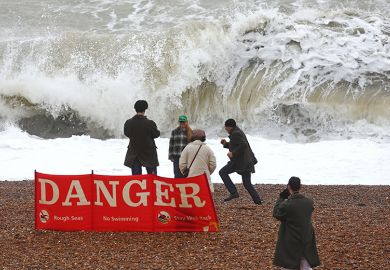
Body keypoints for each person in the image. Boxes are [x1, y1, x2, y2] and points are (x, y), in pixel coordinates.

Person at [273, 177, 320, 270]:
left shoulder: (288, 204)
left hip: (292, 237)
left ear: (288, 186)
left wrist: (281, 198)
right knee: (305, 263)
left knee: (290, 264)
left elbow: (276, 213)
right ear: (300, 186)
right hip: (307, 235)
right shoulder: (309, 202)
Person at [219, 118, 262, 204]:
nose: (225, 129)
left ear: (229, 127)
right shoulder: (236, 132)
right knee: (247, 184)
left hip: (241, 163)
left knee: (222, 172)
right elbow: (236, 145)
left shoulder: (235, 133)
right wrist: (226, 144)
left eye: (226, 127)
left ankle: (234, 192)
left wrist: (233, 153)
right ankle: (258, 202)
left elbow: (243, 145)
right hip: (245, 162)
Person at [124, 100, 160, 175]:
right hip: (149, 154)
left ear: (135, 109)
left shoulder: (128, 123)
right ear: (145, 110)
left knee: (137, 181)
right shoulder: (150, 123)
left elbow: (127, 133)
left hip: (134, 154)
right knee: (152, 180)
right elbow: (156, 134)